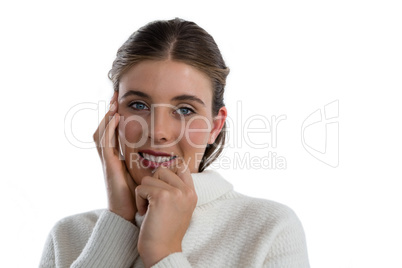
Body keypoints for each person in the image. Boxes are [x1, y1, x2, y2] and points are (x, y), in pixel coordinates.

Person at [39, 18, 310, 268]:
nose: (158, 132)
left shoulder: (272, 230)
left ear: (215, 126)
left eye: (185, 110)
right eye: (138, 105)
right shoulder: (68, 237)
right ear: (113, 113)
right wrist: (120, 221)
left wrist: (164, 252)